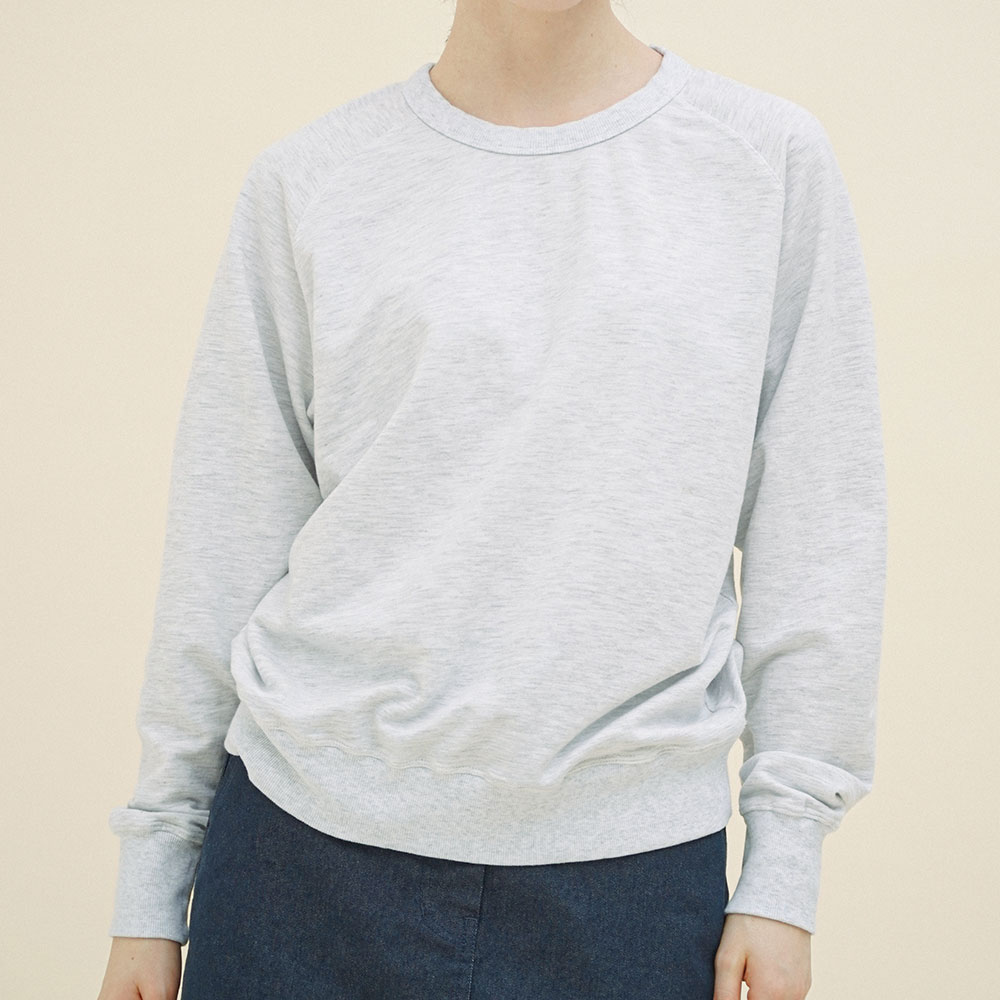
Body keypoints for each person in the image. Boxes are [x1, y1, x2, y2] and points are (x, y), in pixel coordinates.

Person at [97, 2, 888, 998]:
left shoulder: (765, 162)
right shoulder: (309, 179)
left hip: (629, 887)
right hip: (296, 870)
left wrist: (785, 866)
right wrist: (154, 876)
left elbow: (818, 536)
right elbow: (224, 543)